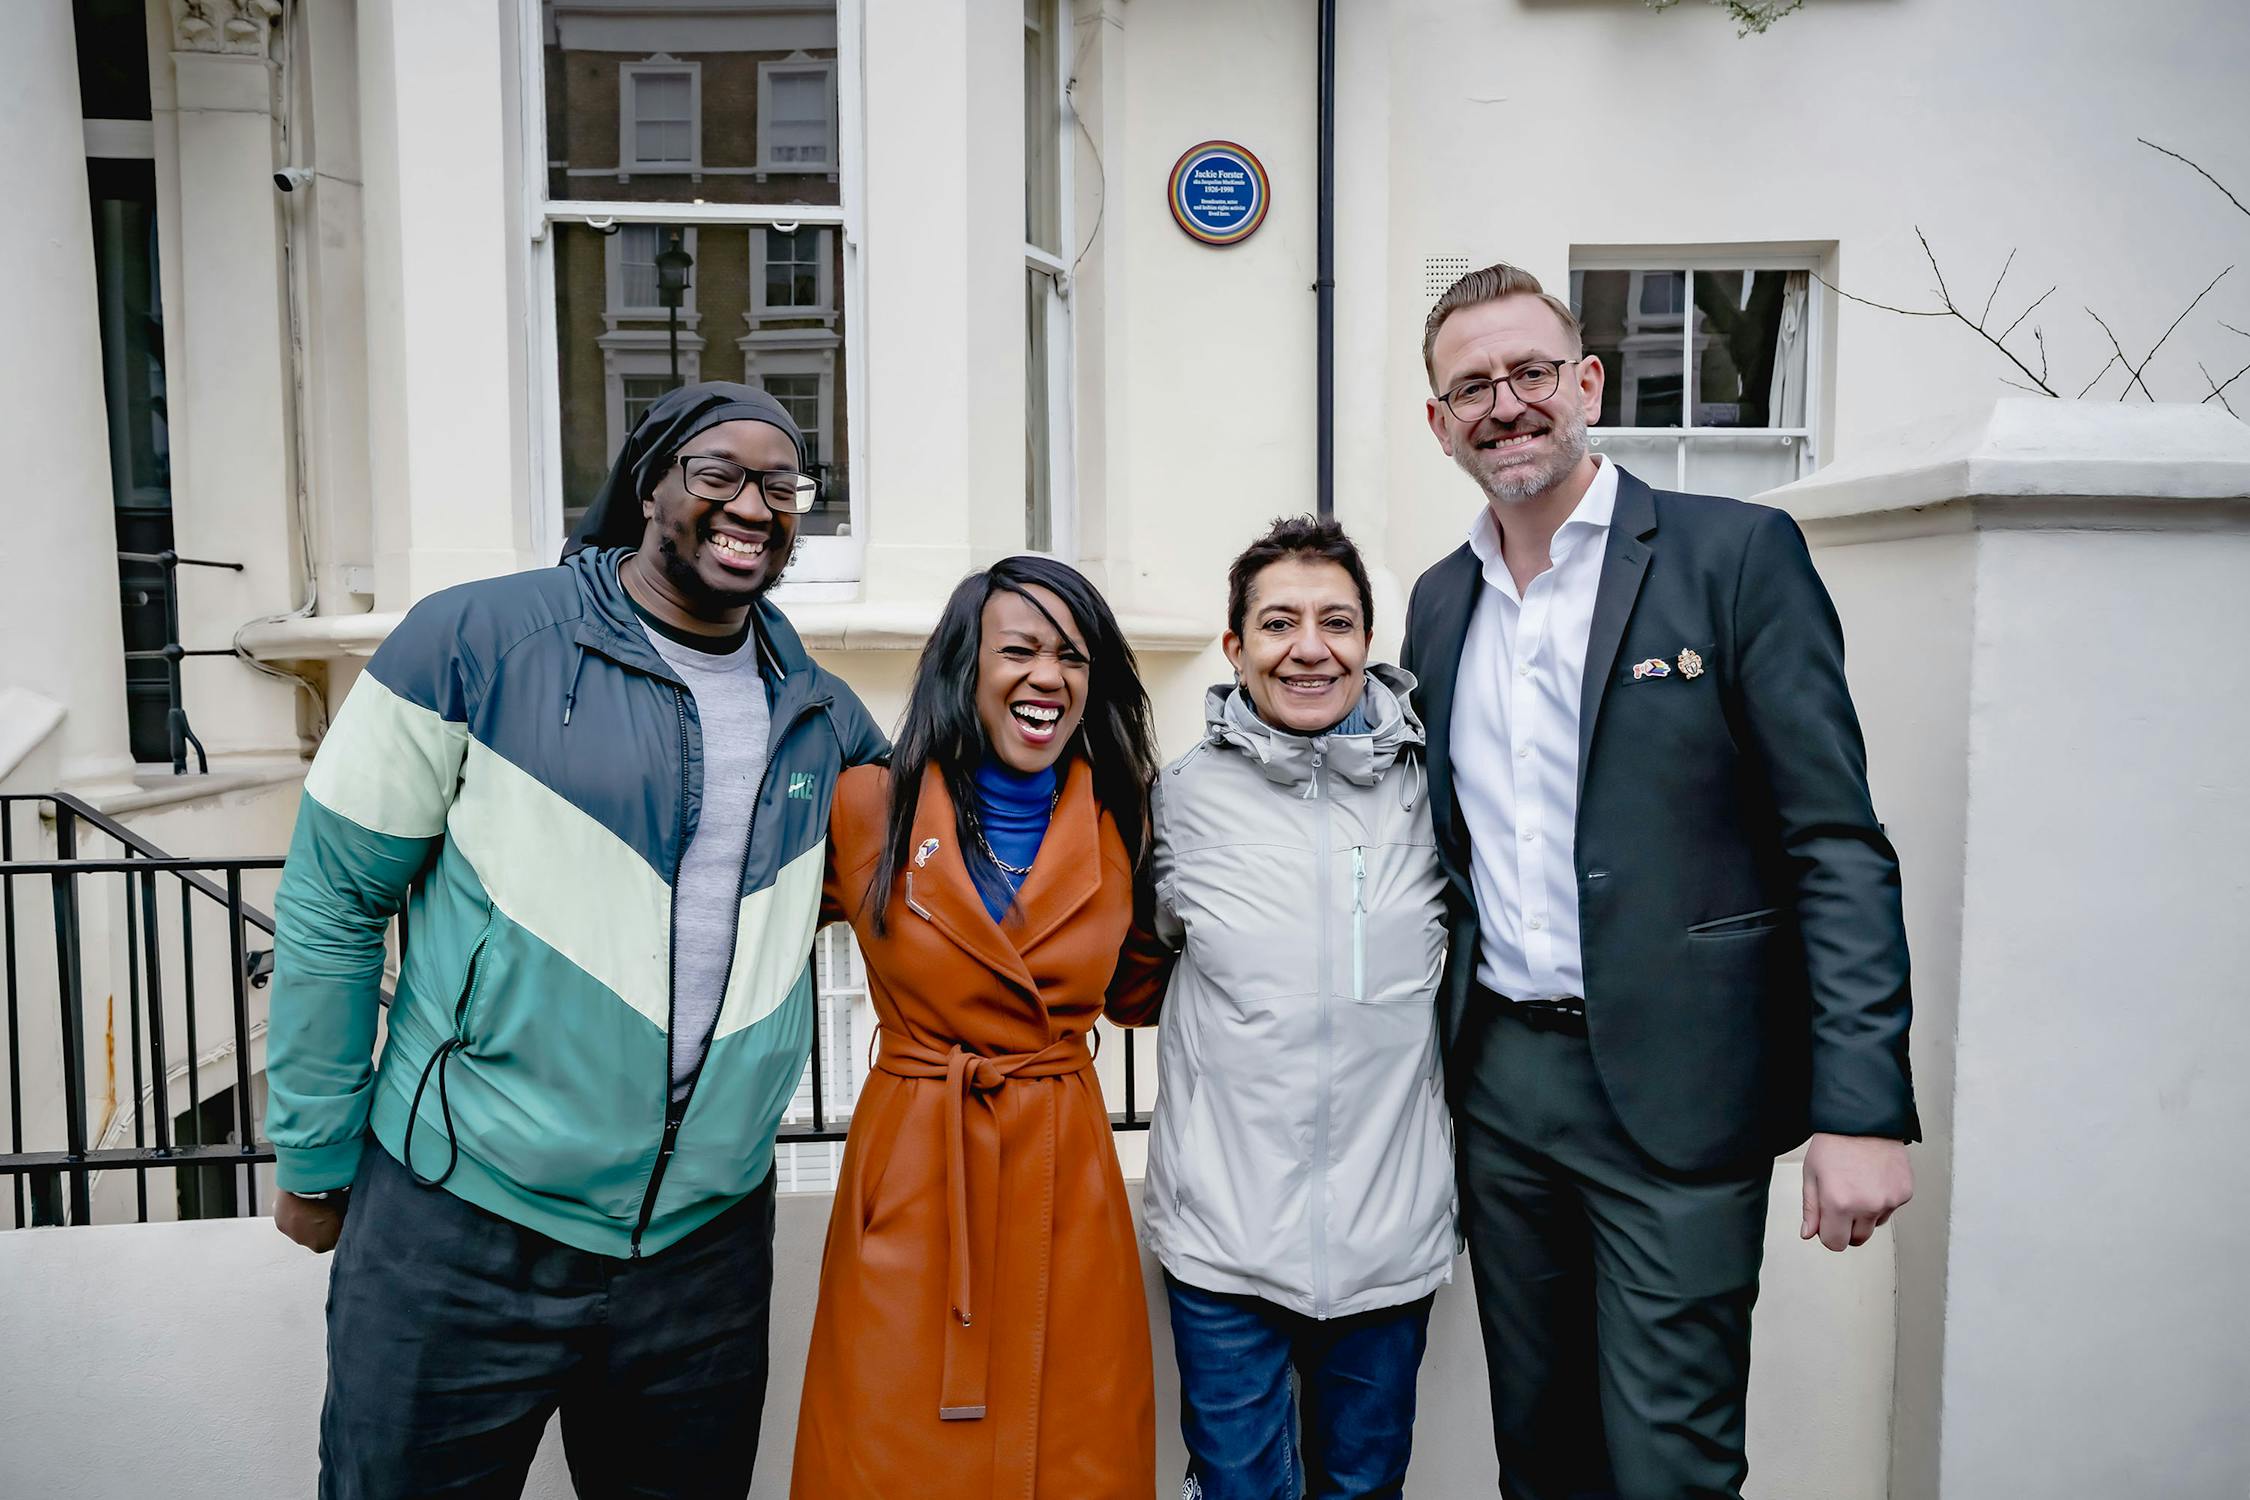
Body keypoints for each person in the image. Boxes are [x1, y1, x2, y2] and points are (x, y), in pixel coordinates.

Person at [266, 382, 886, 1499]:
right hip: (462, 1220)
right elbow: (333, 899)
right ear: (649, 487)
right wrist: (314, 1150)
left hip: (704, 1250)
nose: (755, 502)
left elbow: (905, 887)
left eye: (784, 485)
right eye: (720, 474)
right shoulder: (475, 639)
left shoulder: (827, 715)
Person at [1400, 263, 1918, 1499]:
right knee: (1543, 1453)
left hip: (1681, 1092)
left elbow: (1834, 840)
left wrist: (1864, 1105)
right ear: (1439, 423)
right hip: (1503, 1091)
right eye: (1471, 386)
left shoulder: (1735, 556)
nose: (1504, 404)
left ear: (1585, 382)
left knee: (1669, 1466)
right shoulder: (1437, 603)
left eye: (1529, 372)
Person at [790, 556, 1163, 1499]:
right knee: (888, 1443)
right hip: (914, 1170)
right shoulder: (867, 806)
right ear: (967, 667)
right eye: (1021, 650)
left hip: (1063, 1171)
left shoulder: (1126, 819)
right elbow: (743, 934)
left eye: (1073, 656)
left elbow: (1139, 990)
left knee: (1074, 1442)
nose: (1049, 676)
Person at [1108, 517, 1455, 1500]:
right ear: (1236, 648)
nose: (1310, 647)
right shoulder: (1175, 805)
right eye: (1279, 623)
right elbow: (1132, 971)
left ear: (1367, 642)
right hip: (1225, 1250)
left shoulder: (1429, 795)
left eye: (1336, 622)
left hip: (1391, 1247)